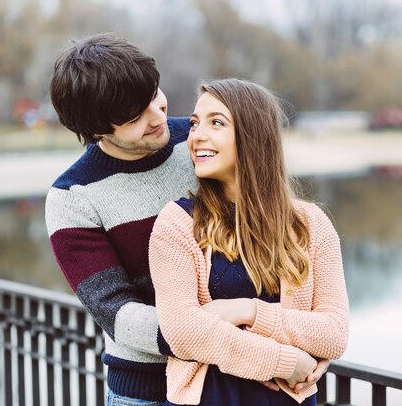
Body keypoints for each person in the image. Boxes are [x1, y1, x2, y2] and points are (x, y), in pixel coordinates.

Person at [45, 34, 328, 405]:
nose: (157, 117)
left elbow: (270, 218)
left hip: (252, 384)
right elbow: (119, 314)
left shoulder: (202, 141)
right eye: (135, 117)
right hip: (149, 389)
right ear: (98, 130)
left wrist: (301, 342)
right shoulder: (73, 198)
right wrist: (264, 355)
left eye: (154, 97)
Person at [148, 79, 349, 406]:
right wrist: (281, 360)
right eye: (196, 123)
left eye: (216, 123)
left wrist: (247, 311)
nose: (196, 134)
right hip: (211, 398)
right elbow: (183, 332)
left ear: (253, 135)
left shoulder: (311, 224)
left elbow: (334, 333)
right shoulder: (177, 224)